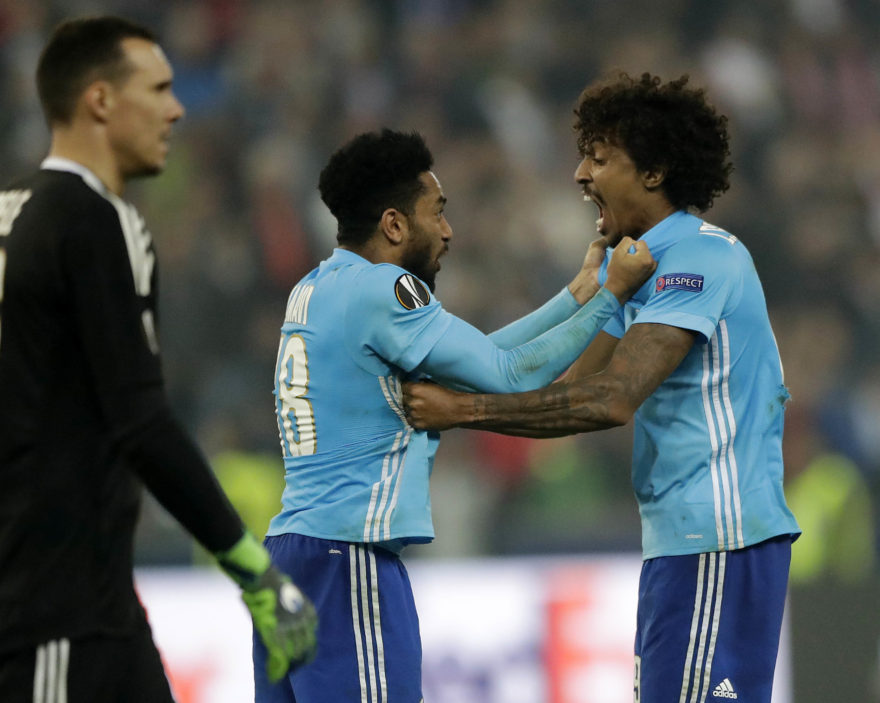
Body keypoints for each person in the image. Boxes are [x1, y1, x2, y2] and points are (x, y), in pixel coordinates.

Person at [402, 72, 802, 703]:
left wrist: (461, 410)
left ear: (654, 171)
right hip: (684, 544)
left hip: (720, 540)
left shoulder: (701, 258)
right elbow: (570, 386)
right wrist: (587, 293)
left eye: (599, 157)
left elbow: (610, 399)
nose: (580, 174)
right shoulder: (637, 266)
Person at [259, 127, 654, 702]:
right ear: (395, 225)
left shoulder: (318, 288)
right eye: (438, 211)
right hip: (348, 560)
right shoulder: (384, 289)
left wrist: (578, 294)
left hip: (290, 558)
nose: (448, 230)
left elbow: (481, 358)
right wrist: (612, 296)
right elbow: (511, 374)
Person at [0, 16, 316, 701]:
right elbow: (139, 420)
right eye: (158, 89)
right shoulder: (96, 219)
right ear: (100, 100)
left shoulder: (10, 213)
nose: (176, 109)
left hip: (94, 604)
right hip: (53, 609)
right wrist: (252, 567)